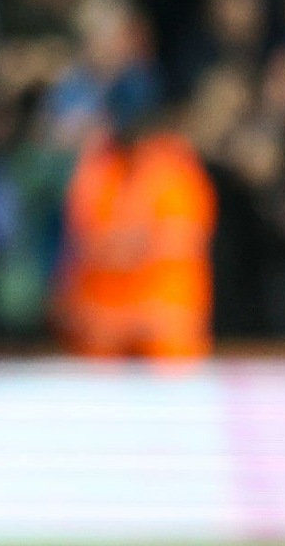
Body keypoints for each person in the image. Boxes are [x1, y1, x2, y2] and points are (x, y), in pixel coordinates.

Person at [53, 71, 218, 361]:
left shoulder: (176, 168)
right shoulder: (96, 167)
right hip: (101, 335)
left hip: (164, 333)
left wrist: (124, 245)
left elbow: (180, 240)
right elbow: (83, 240)